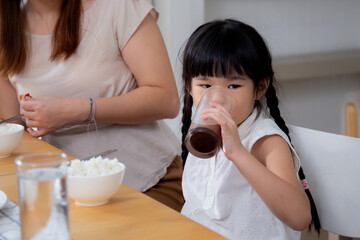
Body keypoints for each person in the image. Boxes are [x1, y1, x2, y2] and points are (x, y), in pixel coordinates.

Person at [0, 0, 184, 211]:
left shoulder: (117, 6)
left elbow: (166, 100)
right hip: (66, 192)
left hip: (147, 181)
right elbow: (13, 125)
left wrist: (76, 110)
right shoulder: (7, 28)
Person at [180, 19, 320, 239]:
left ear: (259, 88)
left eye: (233, 86)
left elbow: (300, 217)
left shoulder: (266, 141)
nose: (216, 98)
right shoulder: (200, 132)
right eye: (205, 86)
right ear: (189, 86)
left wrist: (238, 153)